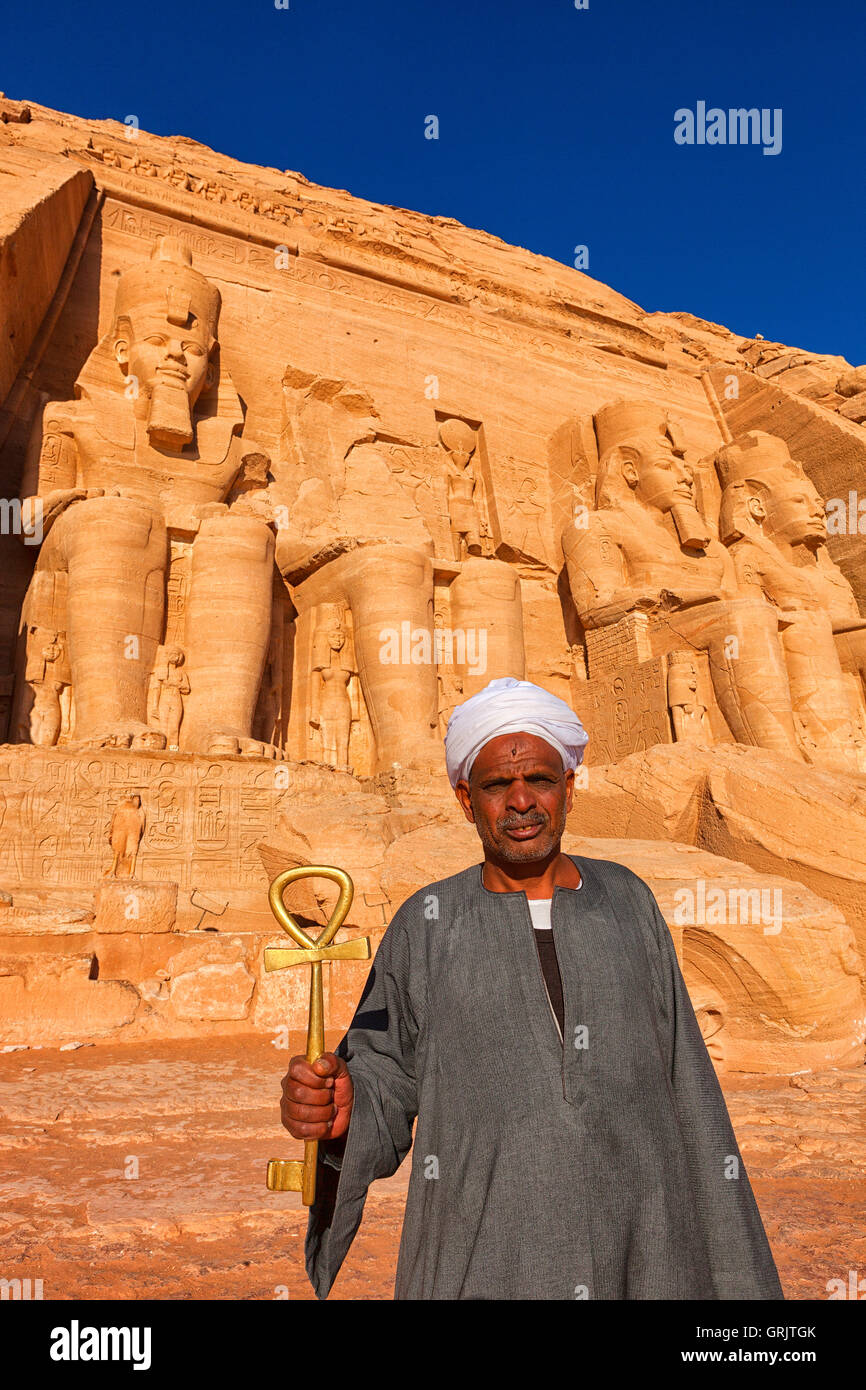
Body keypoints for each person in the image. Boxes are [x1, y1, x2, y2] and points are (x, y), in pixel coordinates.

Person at [280, 676, 784, 1300]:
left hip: (645, 1245)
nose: (522, 802)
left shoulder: (627, 901)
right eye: (497, 785)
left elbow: (687, 1081)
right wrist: (342, 1109)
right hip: (485, 1251)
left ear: (568, 788)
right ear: (467, 800)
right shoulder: (427, 924)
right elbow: (383, 1077)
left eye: (540, 780)